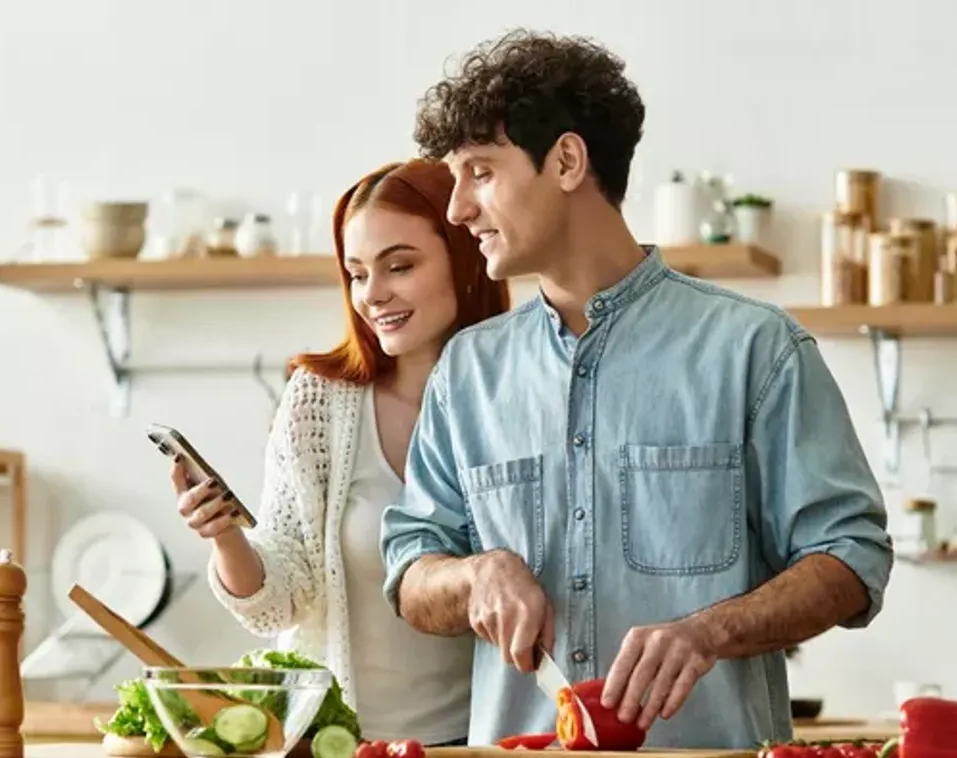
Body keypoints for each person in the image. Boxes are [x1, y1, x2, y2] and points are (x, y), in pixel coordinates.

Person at [379, 29, 894, 749]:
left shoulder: (754, 348)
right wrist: (476, 575)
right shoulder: (466, 372)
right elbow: (410, 572)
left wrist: (708, 631)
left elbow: (850, 557)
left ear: (565, 160)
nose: (458, 208)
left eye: (480, 171)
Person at [173, 158, 511, 746]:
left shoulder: (521, 390)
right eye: (356, 274)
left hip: (491, 742)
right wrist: (225, 536)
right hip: (344, 742)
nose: (373, 295)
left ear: (465, 256)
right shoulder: (320, 402)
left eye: (399, 266)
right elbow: (281, 600)